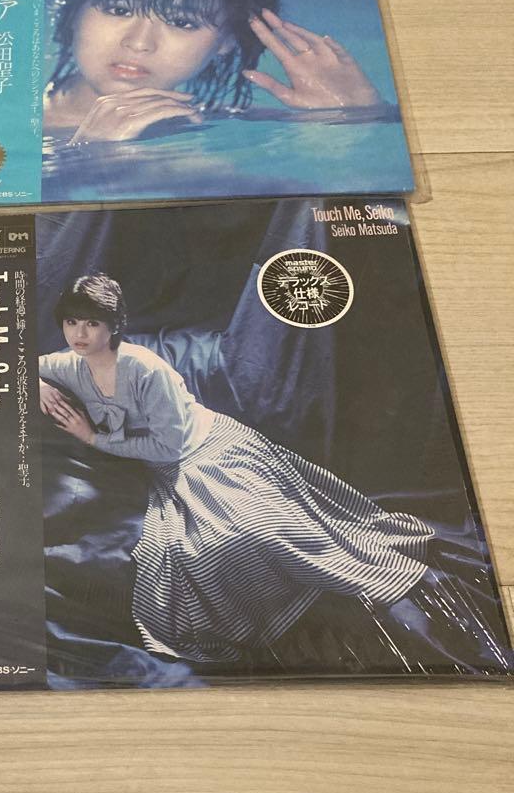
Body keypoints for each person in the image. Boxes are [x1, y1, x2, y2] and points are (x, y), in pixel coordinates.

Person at [38, 274, 511, 672]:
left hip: (208, 451)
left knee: (266, 533)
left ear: (114, 325)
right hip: (165, 472)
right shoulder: (68, 364)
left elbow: (168, 444)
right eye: (72, 322)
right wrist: (38, 386)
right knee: (197, 555)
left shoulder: (146, 370)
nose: (80, 333)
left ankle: (381, 599)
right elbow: (20, 363)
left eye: (92, 323)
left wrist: (92, 438)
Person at [43, 0, 385, 145]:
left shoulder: (214, 122)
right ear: (74, 10)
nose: (139, 43)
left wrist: (358, 113)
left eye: (182, 22)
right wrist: (90, 149)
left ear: (226, 41)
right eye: (120, 10)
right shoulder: (18, 122)